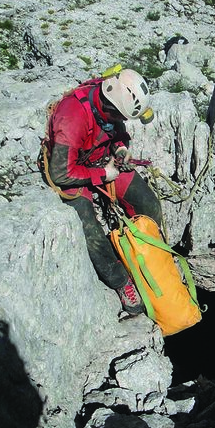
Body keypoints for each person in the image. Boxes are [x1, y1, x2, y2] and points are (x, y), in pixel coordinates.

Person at [46, 68, 163, 316]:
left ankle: (151, 258)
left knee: (149, 205)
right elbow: (60, 173)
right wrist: (103, 175)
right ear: (111, 107)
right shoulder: (72, 117)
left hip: (103, 161)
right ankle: (122, 282)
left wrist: (120, 149)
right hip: (75, 172)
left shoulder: (110, 97)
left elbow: (116, 130)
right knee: (90, 232)